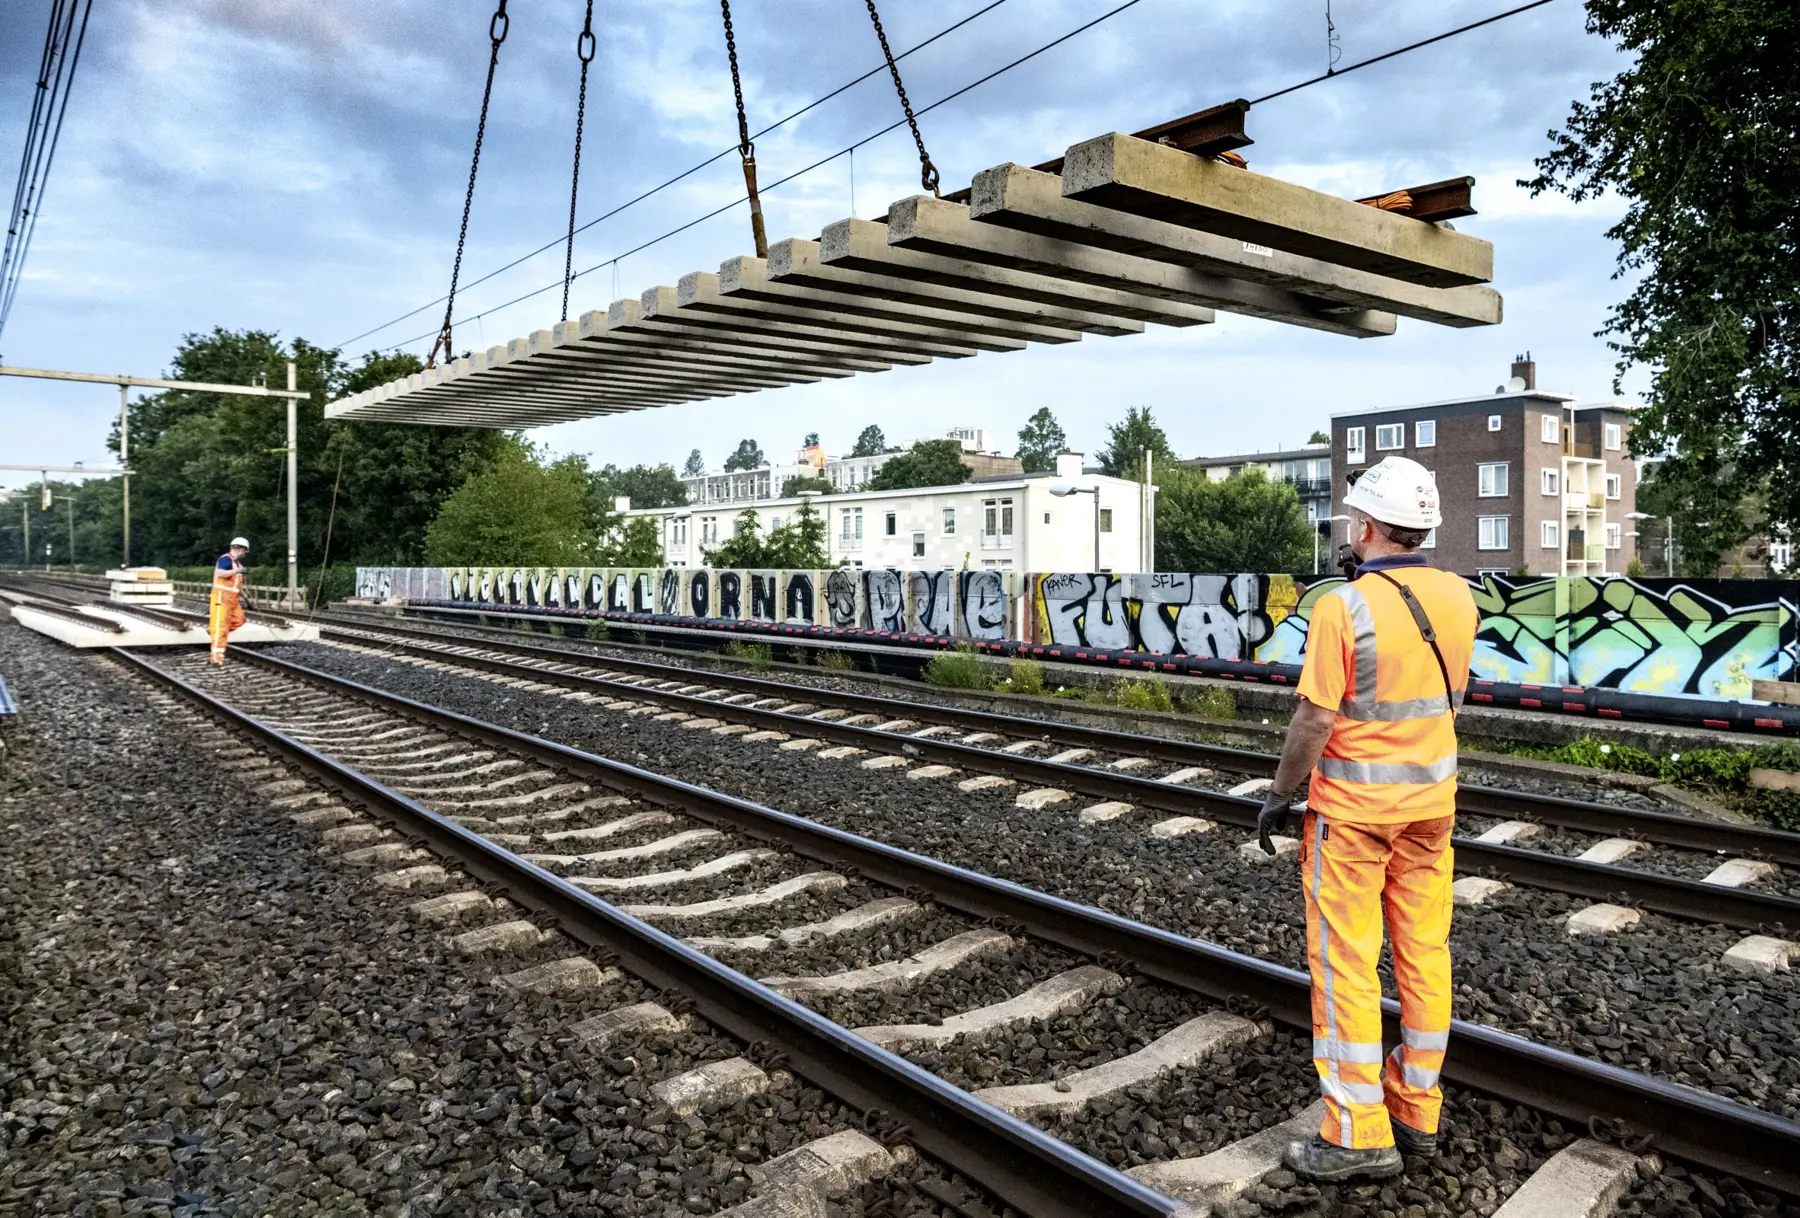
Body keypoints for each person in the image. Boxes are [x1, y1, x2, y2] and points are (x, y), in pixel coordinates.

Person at [1254, 455, 1476, 1182]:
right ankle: (1416, 1107)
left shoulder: (1341, 607)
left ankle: (1356, 1130)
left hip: (1352, 817)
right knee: (1423, 953)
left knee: (1347, 963)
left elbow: (1315, 717)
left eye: (1355, 519)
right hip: (1431, 811)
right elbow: (1447, 701)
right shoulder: (1458, 598)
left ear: (1369, 525)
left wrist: (1282, 794)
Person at [209, 536, 250, 664]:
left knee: (239, 619)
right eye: (244, 551)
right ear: (240, 549)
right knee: (221, 628)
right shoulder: (226, 559)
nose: (244, 554)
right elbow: (220, 573)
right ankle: (216, 659)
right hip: (221, 597)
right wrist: (237, 570)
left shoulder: (236, 563)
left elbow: (234, 581)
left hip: (232, 599)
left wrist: (243, 593)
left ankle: (213, 629)